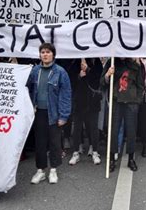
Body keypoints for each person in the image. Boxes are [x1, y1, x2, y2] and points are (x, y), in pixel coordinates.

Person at [27, 43, 72, 184]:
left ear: (53, 54)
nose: (45, 54)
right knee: (40, 142)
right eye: (42, 52)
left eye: (48, 52)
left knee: (54, 143)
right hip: (38, 112)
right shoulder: (35, 71)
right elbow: (28, 89)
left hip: (54, 113)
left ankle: (53, 170)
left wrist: (63, 116)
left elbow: (66, 95)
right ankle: (40, 170)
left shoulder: (60, 72)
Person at [101, 58, 144, 172]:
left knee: (131, 132)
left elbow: (141, 85)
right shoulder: (112, 62)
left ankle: (131, 158)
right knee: (113, 131)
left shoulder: (135, 65)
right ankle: (112, 159)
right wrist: (107, 75)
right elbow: (102, 82)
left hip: (131, 103)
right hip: (117, 102)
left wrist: (137, 101)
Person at [69, 58, 103, 165]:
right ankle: (75, 153)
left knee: (93, 127)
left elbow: (99, 80)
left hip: (93, 100)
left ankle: (95, 151)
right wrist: (79, 76)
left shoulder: (96, 62)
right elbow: (70, 81)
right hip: (79, 101)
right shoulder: (75, 61)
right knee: (77, 128)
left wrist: (88, 70)